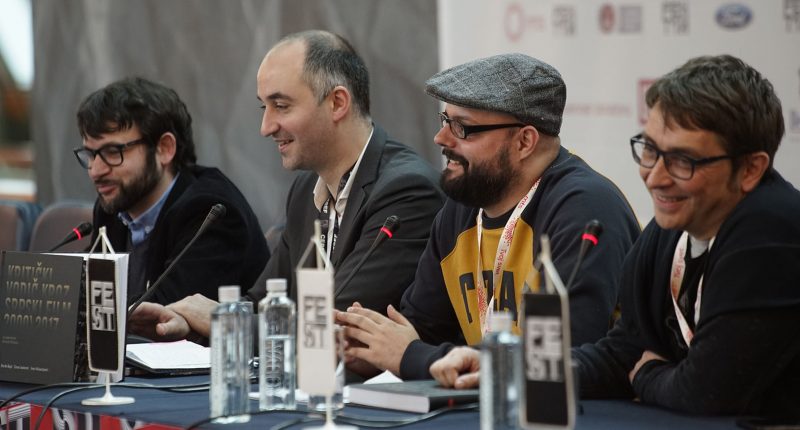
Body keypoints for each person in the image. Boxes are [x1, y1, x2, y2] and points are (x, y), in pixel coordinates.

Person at [430, 55, 800, 420]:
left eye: (683, 161)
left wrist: (647, 375)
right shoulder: (669, 231)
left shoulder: (772, 233)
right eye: (650, 150)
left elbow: (705, 391)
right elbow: (621, 354)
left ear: (750, 169)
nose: (656, 177)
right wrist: (508, 368)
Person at [336, 53, 640, 380]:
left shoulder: (585, 209)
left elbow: (559, 359)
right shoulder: (463, 208)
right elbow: (423, 330)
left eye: (462, 128)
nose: (441, 138)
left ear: (524, 141)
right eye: (444, 120)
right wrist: (371, 351)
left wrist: (413, 357)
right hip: (490, 399)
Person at [128, 30, 444, 340]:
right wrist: (189, 323)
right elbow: (263, 303)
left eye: (281, 106)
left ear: (337, 103)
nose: (266, 127)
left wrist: (219, 320)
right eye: (263, 107)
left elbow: (335, 325)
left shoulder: (407, 192)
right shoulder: (306, 189)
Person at [76, 77, 269, 306]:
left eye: (112, 152)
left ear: (164, 148)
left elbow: (166, 313)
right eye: (90, 154)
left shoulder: (210, 212)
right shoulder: (113, 208)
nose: (95, 170)